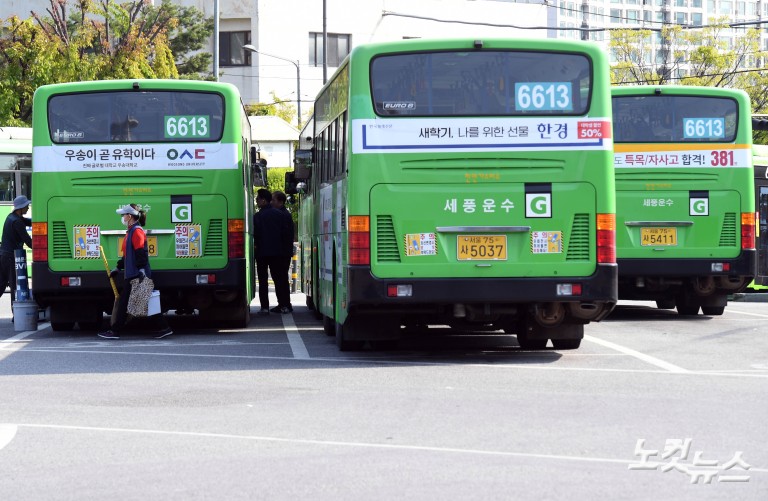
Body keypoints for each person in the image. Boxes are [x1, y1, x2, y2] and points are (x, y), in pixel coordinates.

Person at [98, 204, 173, 339]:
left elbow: (140, 253)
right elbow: (127, 254)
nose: (122, 217)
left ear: (130, 216)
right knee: (143, 302)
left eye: (123, 215)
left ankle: (115, 331)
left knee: (129, 302)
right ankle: (164, 328)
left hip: (137, 275)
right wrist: (118, 267)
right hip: (133, 274)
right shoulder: (131, 231)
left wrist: (142, 271)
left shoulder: (136, 231)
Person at [253, 189, 293, 315]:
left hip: (261, 253)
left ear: (263, 200)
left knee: (263, 280)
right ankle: (284, 305)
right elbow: (286, 234)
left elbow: (256, 235)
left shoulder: (257, 217)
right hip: (277, 253)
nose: (256, 200)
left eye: (258, 198)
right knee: (280, 279)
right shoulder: (280, 215)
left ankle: (264, 307)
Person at [0, 196, 33, 309]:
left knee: (2, 283)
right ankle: (17, 313)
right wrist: (42, 247)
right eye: (26, 206)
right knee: (15, 285)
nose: (28, 208)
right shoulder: (17, 222)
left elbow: (30, 222)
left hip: (4, 255)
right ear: (21, 208)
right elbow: (28, 241)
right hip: (10, 257)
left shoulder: (13, 217)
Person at [270, 191, 295, 313]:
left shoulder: (282, 215)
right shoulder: (284, 214)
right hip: (283, 252)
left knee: (281, 279)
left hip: (281, 253)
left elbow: (283, 235)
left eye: (273, 200)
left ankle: (284, 304)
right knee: (280, 279)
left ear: (280, 202)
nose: (271, 202)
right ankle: (283, 303)